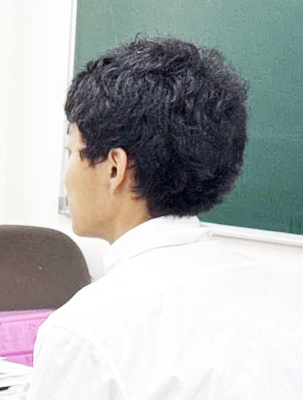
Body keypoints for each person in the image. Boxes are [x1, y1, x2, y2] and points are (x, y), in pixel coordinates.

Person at [29, 37, 303, 399]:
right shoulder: (276, 293)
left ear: (114, 168)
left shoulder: (85, 334)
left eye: (72, 153)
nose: (67, 176)